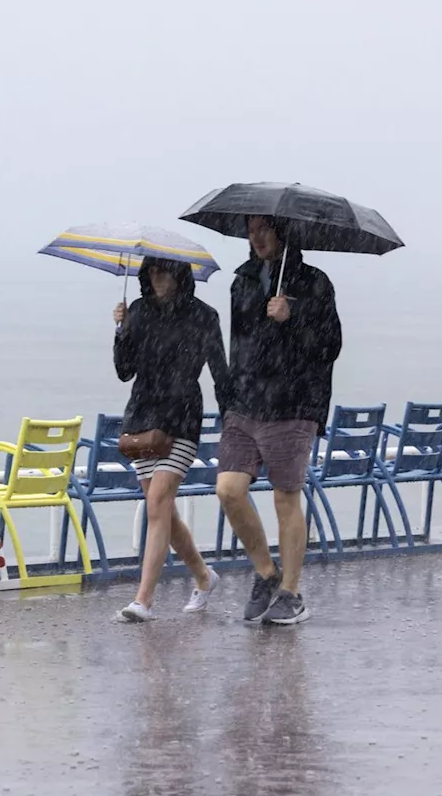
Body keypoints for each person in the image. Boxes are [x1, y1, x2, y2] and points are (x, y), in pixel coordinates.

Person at [216, 216, 341, 625]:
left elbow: (331, 345)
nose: (256, 237)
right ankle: (267, 574)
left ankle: (291, 592)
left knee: (285, 497)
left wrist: (294, 317)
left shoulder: (314, 282)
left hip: (293, 402)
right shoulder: (243, 280)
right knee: (229, 490)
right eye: (250, 229)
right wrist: (231, 395)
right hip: (246, 402)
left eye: (264, 229)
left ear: (282, 232)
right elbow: (239, 342)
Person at [112, 256, 230, 622]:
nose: (157, 278)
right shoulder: (139, 311)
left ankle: (143, 600)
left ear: (180, 275)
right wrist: (121, 331)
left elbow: (219, 371)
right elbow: (123, 371)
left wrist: (234, 423)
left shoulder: (204, 315)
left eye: (164, 271)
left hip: (181, 419)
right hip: (142, 417)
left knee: (159, 499)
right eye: (151, 272)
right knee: (160, 507)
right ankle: (203, 576)